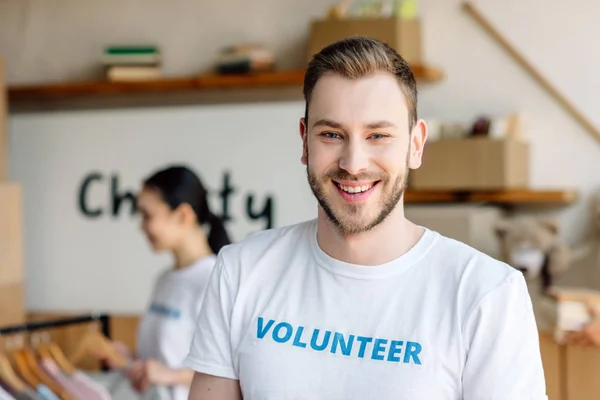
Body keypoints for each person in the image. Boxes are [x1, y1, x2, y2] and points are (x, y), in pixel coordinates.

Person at [183, 37, 547, 399]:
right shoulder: (241, 271)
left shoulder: (485, 294)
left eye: (378, 135)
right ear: (304, 141)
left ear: (415, 145)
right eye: (331, 134)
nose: (353, 163)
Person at [98, 165, 231, 400]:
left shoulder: (218, 280)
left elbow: (232, 372)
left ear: (182, 215)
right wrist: (130, 359)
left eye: (147, 215)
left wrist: (168, 375)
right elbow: (165, 360)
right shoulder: (164, 280)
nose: (141, 226)